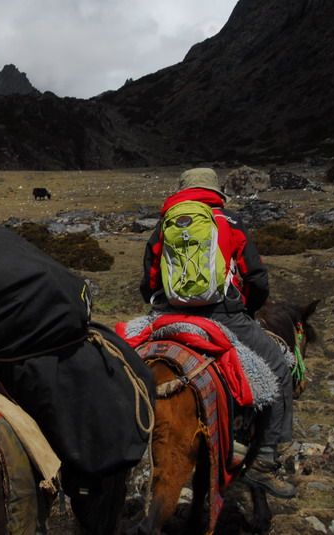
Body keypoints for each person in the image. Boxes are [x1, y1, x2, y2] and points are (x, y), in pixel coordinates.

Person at [139, 167, 295, 498]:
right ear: (216, 192)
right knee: (279, 368)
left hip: (168, 316)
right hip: (223, 316)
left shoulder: (162, 227)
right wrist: (246, 309)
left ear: (181, 190)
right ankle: (265, 459)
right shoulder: (231, 223)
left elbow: (148, 282)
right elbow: (256, 279)